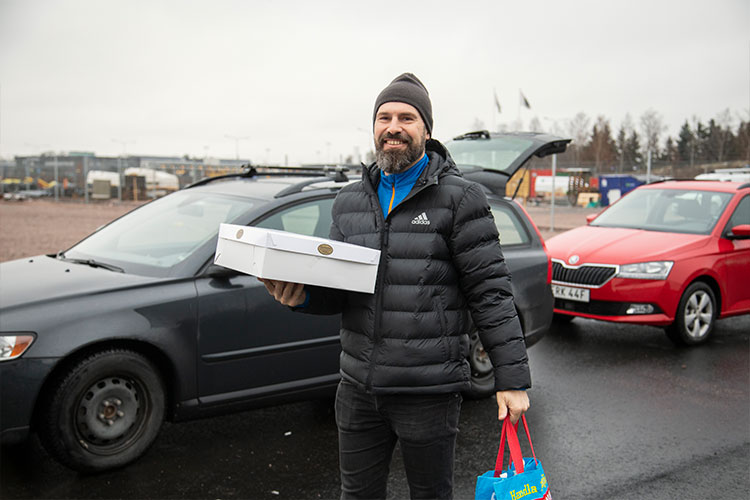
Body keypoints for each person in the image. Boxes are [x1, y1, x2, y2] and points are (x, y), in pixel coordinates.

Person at [260, 73, 530, 500]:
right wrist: (303, 296)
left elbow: (490, 292)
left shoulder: (460, 199)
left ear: (426, 129)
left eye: (407, 117)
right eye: (383, 117)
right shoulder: (350, 200)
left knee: (430, 495)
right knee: (357, 494)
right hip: (358, 388)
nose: (393, 127)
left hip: (429, 391)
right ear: (374, 129)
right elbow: (343, 287)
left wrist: (511, 380)